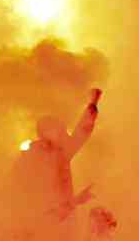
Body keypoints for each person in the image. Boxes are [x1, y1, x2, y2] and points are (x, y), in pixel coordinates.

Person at [14, 88, 102, 229]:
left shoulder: (62, 153)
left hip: (63, 220)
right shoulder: (30, 157)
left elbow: (82, 132)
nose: (64, 133)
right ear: (45, 132)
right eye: (60, 129)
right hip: (41, 224)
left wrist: (93, 104)